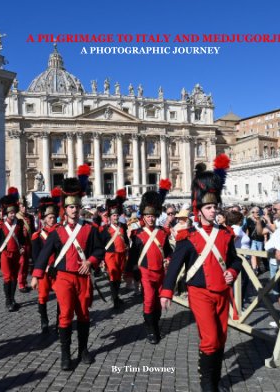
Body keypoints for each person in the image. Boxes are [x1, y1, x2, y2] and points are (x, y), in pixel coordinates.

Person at [160, 155, 242, 392]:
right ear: (199, 209)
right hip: (199, 291)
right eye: (208, 207)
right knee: (211, 339)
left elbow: (234, 260)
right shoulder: (189, 237)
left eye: (215, 206)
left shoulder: (225, 234)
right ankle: (209, 386)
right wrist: (166, 292)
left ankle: (213, 379)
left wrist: (233, 272)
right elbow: (175, 265)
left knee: (221, 340)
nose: (213, 209)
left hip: (222, 292)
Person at [31, 165, 104, 371]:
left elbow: (99, 250)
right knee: (65, 315)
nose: (74, 210)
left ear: (80, 207)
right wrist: (37, 275)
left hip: (82, 278)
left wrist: (90, 261)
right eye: (70, 207)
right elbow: (44, 255)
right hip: (63, 277)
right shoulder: (57, 231)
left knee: (83, 315)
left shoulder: (90, 229)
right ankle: (65, 353)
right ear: (65, 208)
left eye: (77, 206)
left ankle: (83, 350)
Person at [128, 179, 173, 345]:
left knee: (159, 303)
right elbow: (133, 255)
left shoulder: (162, 233)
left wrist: (168, 259)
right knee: (148, 301)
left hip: (161, 272)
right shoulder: (137, 234)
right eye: (148, 216)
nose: (151, 219)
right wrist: (132, 273)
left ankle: (156, 323)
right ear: (143, 217)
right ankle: (151, 330)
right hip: (145, 272)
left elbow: (168, 250)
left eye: (153, 216)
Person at [0, 195, 25, 312]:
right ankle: (8, 300)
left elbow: (21, 238)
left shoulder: (19, 223)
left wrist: (22, 246)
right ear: (7, 213)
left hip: (16, 254)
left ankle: (12, 299)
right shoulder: (1, 225)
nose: (12, 214)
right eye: (10, 212)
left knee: (14, 278)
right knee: (7, 277)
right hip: (5, 254)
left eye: (14, 212)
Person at [31, 196, 59, 334]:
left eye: (54, 217)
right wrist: (44, 268)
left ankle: (60, 320)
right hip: (44, 270)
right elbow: (35, 256)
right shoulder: (37, 236)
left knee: (61, 295)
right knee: (42, 296)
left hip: (57, 269)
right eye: (49, 217)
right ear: (43, 219)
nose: (52, 219)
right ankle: (44, 320)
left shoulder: (61, 233)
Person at [100, 190, 129, 309]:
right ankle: (115, 299)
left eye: (117, 215)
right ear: (110, 217)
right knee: (113, 275)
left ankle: (116, 296)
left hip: (121, 254)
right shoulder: (105, 229)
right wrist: (101, 259)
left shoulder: (123, 227)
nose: (115, 217)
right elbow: (101, 245)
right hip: (110, 255)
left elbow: (126, 240)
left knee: (118, 276)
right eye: (113, 215)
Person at [16, 193, 35, 293]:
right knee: (22, 264)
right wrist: (19, 246)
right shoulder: (17, 217)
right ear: (19, 207)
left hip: (29, 243)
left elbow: (33, 230)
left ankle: (24, 282)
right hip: (21, 244)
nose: (24, 208)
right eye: (22, 206)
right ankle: (20, 284)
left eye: (25, 206)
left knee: (27, 264)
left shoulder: (30, 217)